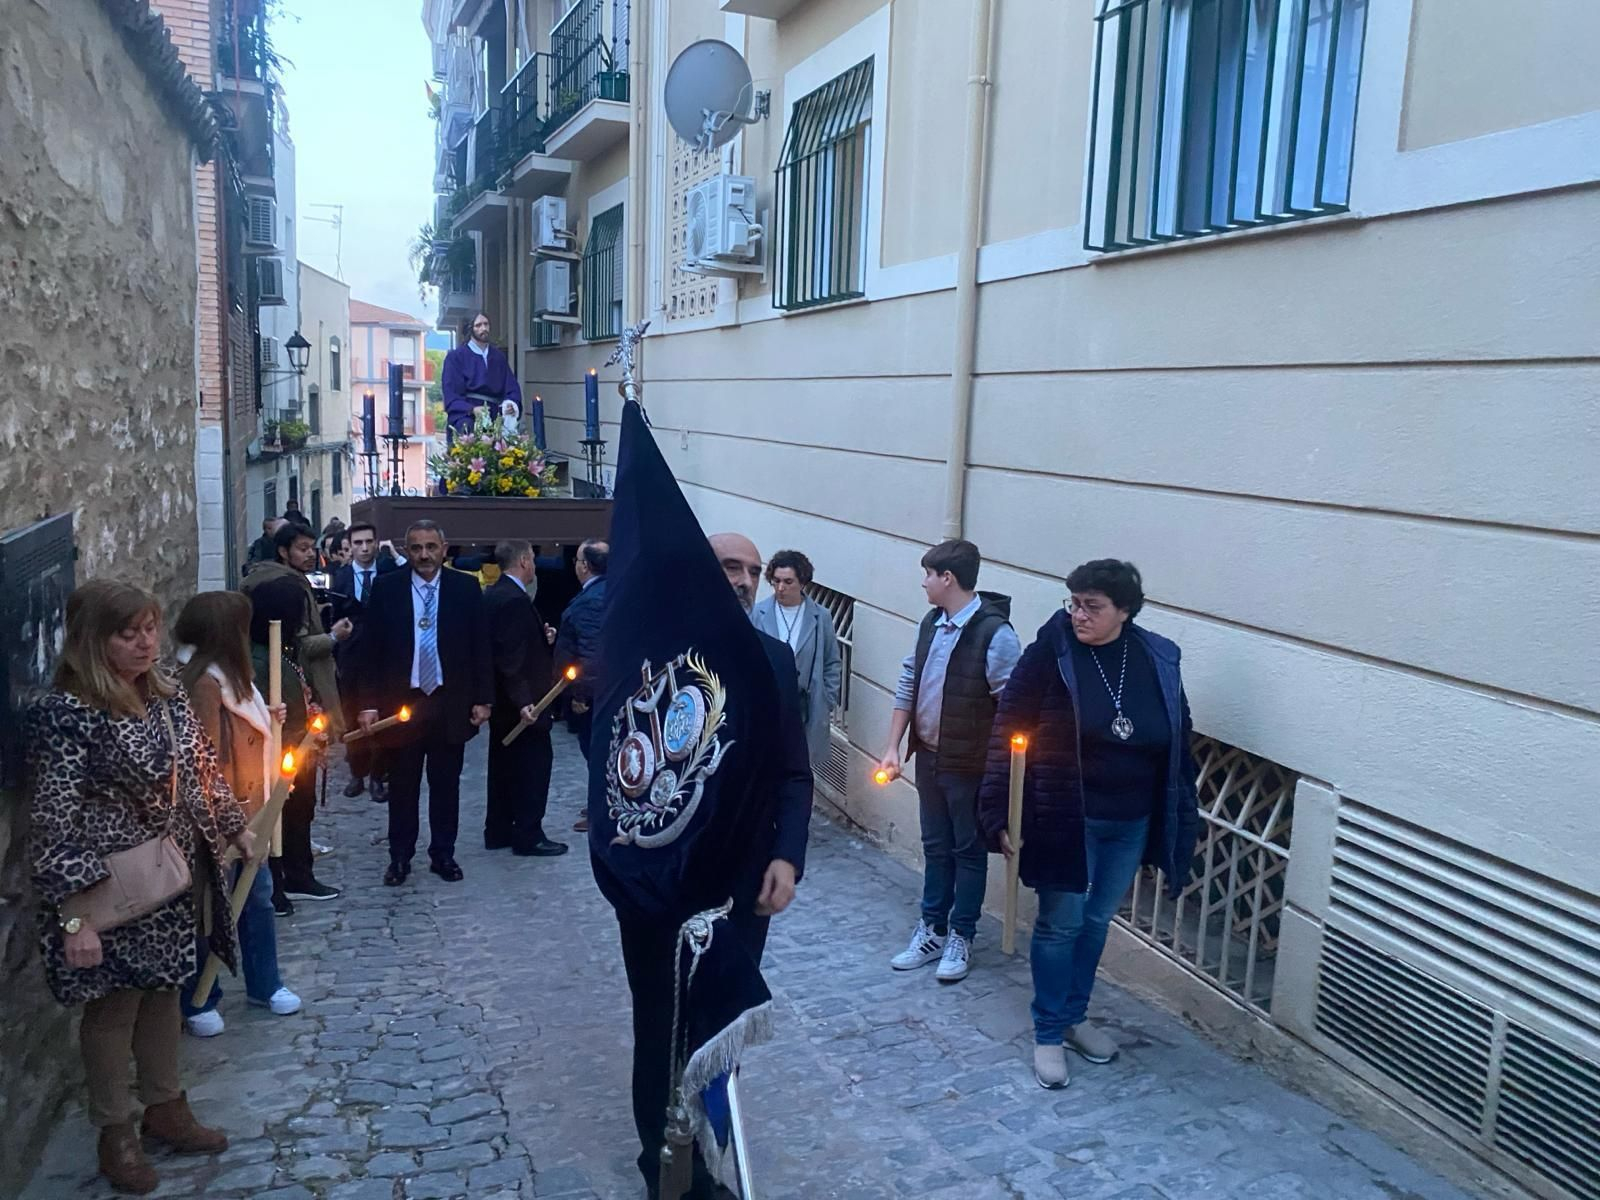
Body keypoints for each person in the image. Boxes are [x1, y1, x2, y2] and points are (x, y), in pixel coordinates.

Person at [589, 399, 812, 1199]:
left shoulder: (774, 665)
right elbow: (616, 763)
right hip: (657, 884)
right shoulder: (650, 660)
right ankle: (665, 1167)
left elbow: (794, 770)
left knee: (717, 1026)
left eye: (754, 572)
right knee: (661, 1026)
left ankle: (710, 1154)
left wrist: (787, 853)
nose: (745, 582)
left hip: (741, 887)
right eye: (730, 568)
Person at [26, 580, 252, 1195]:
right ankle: (115, 1131)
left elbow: (202, 762)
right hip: (104, 889)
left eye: (151, 628)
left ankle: (165, 1107)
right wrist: (75, 917)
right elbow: (50, 820)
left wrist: (235, 825)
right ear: (93, 642)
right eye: (129, 633)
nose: (146, 642)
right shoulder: (67, 717)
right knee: (111, 1012)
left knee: (162, 994)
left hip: (167, 878)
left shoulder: (165, 696)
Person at [979, 560, 1200, 1090]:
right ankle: (1049, 1031)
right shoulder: (1049, 656)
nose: (1078, 614)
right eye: (1073, 602)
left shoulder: (1157, 657)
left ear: (1125, 610)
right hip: (1065, 814)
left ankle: (1074, 1017)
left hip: (1131, 818)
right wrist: (996, 810)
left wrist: (1183, 816)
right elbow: (1007, 728)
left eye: (1092, 606)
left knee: (1098, 919)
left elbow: (1179, 736)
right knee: (1062, 921)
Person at [877, 539, 1020, 985]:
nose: (923, 583)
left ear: (948, 579)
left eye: (927, 575)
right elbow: (909, 679)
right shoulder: (931, 623)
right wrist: (892, 747)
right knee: (936, 847)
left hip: (970, 765)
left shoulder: (996, 635)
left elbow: (1010, 709)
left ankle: (962, 935)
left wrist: (999, 778)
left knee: (968, 851)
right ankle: (932, 929)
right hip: (932, 758)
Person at [173, 592, 303, 1036]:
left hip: (252, 813)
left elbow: (246, 727)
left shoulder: (232, 677)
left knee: (257, 900)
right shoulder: (203, 684)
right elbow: (202, 756)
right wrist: (224, 822)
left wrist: (268, 716)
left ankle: (264, 983)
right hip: (220, 820)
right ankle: (199, 998)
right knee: (211, 908)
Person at [354, 519, 492, 885]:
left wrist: (483, 698)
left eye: (431, 547)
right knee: (403, 786)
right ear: (407, 550)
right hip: (403, 704)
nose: (424, 555)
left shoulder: (465, 588)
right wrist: (367, 704)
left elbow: (480, 645)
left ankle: (443, 854)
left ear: (444, 549)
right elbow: (370, 651)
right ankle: (400, 856)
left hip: (449, 701)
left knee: (446, 785)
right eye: (416, 548)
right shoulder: (387, 588)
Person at [241, 523, 348, 906]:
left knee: (300, 814)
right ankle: (282, 884)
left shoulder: (284, 654)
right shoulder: (261, 661)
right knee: (278, 820)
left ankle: (299, 875)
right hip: (276, 762)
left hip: (296, 755)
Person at [483, 539, 567, 857]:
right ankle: (529, 834)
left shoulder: (494, 593)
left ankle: (500, 829)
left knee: (503, 765)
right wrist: (524, 701)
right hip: (525, 702)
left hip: (504, 700)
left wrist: (541, 638)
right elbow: (510, 657)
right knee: (533, 766)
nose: (533, 564)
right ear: (522, 561)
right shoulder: (514, 600)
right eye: (531, 558)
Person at [750, 549, 844, 767]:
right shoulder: (758, 613)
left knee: (801, 766)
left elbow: (832, 662)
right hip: (768, 704)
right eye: (776, 581)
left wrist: (827, 699)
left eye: (788, 582)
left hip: (805, 707)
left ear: (803, 582)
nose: (781, 588)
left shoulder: (821, 617)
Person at [331, 522, 391, 800]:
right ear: (350, 546)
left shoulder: (389, 573)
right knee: (352, 712)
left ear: (377, 543)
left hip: (383, 652)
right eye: (358, 543)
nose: (364, 548)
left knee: (383, 712)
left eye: (369, 542)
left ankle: (379, 775)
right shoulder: (340, 577)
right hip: (351, 655)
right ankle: (357, 772)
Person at [553, 537, 608, 833]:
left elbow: (591, 652)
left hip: (595, 693)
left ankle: (601, 811)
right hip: (604, 690)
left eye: (577, 560)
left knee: (596, 751)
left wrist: (582, 695)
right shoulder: (606, 593)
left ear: (585, 566)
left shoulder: (591, 601)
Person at [441, 311, 522, 435]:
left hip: (496, 412)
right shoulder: (456, 357)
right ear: (470, 329)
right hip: (468, 414)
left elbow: (511, 387)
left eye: (486, 324)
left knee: (511, 435)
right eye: (478, 325)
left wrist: (511, 403)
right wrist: (472, 409)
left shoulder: (498, 357)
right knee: (467, 429)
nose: (483, 328)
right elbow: (452, 394)